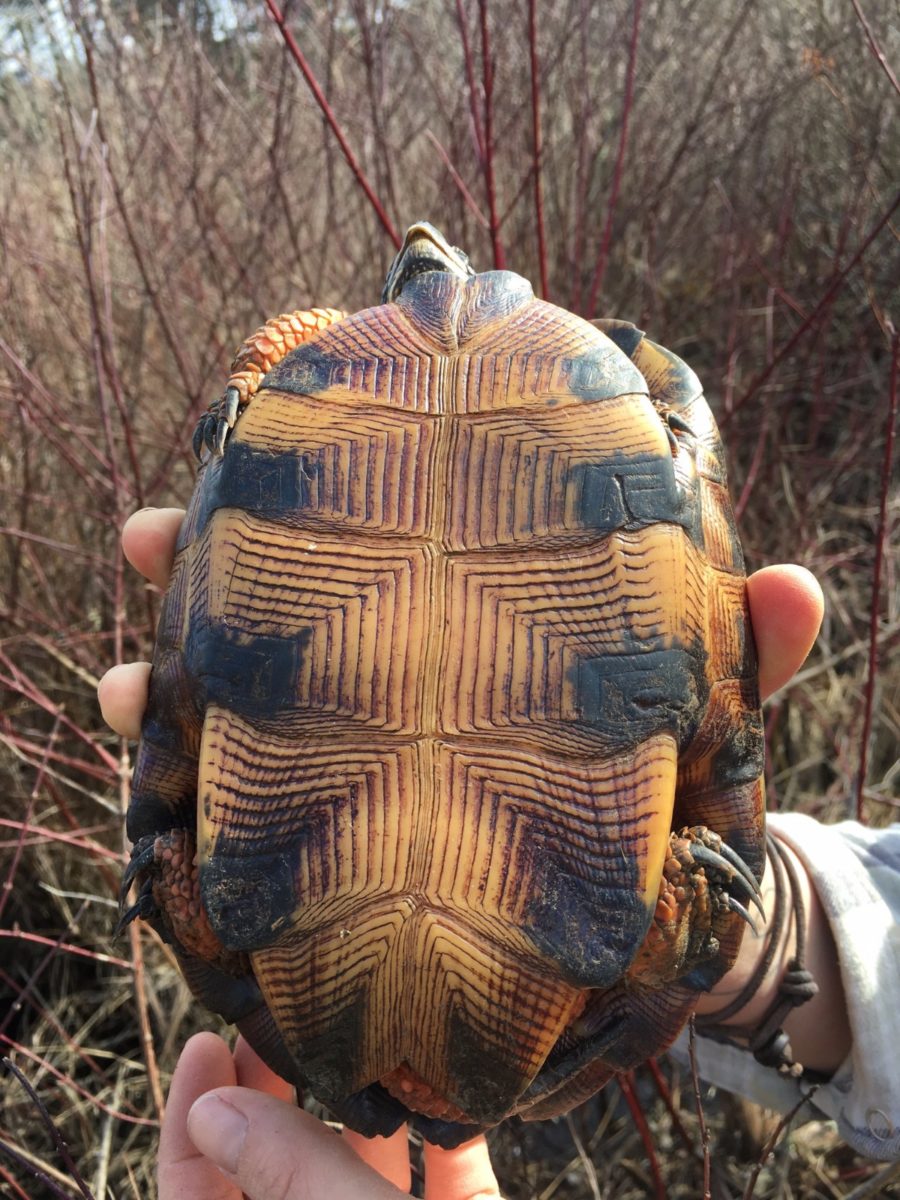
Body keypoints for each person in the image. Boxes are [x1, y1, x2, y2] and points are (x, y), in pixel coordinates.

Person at [99, 508, 899, 1199]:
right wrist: (695, 927)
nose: (416, 1092)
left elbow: (186, 857)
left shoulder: (261, 956)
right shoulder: (603, 988)